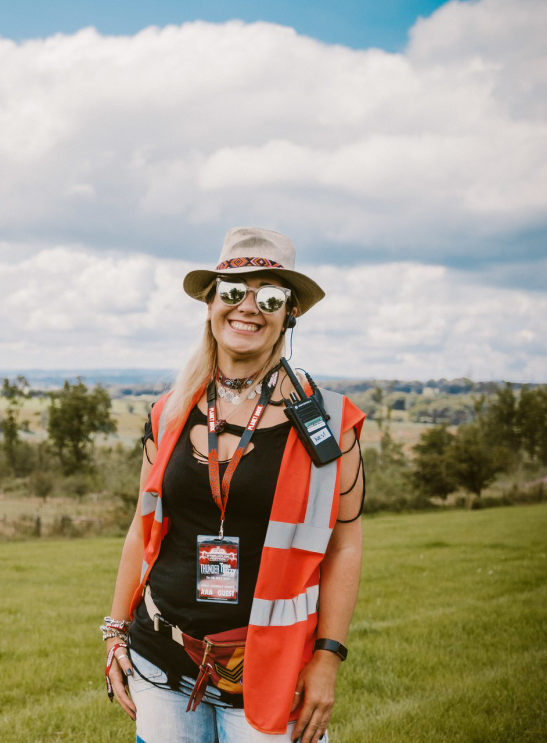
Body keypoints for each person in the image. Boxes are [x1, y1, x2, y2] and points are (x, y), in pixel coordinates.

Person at [102, 227, 366, 743]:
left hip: (272, 668)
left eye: (269, 295)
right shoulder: (169, 412)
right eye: (232, 291)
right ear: (209, 304)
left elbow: (345, 544)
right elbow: (142, 526)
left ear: (289, 313)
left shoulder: (330, 423)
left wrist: (328, 657)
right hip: (161, 658)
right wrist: (115, 634)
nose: (249, 307)